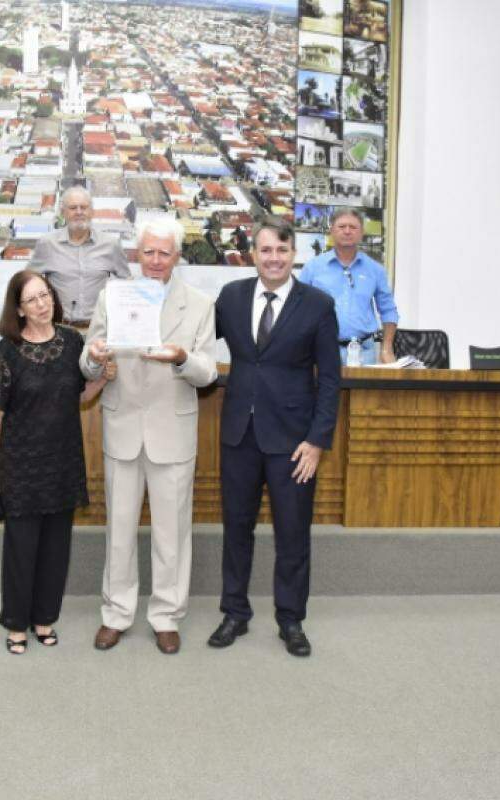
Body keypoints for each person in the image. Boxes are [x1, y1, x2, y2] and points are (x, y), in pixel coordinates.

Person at [81, 217, 217, 655]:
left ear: (177, 256)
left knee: (171, 535)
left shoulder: (198, 305)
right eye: (148, 252)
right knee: (118, 531)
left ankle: (166, 616)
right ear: (136, 255)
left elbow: (208, 371)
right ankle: (116, 614)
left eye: (164, 253)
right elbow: (88, 362)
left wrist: (181, 358)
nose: (155, 261)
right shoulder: (112, 297)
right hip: (122, 428)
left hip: (172, 433)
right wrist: (95, 357)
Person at [207, 220, 339, 658]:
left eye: (282, 249)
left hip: (294, 443)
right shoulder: (231, 297)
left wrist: (318, 440)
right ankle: (234, 613)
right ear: (254, 254)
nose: (274, 258)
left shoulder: (318, 304)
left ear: (293, 252)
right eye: (265, 250)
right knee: (236, 529)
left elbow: (330, 380)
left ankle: (291, 619)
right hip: (239, 436)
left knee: (293, 534)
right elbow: (195, 336)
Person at [0, 270, 114, 654]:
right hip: (20, 462)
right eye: (33, 299)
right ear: (18, 309)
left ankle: (44, 619)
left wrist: (103, 378)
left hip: (62, 460)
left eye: (46, 295)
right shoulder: (7, 350)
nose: (43, 304)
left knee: (57, 548)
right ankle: (17, 624)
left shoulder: (73, 342)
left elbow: (81, 394)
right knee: (21, 548)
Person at [298, 208, 398, 365]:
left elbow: (388, 311)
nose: (347, 231)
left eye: (353, 227)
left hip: (365, 353)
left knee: (364, 391)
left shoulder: (375, 270)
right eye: (342, 226)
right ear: (332, 230)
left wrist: (386, 348)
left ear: (361, 232)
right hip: (322, 351)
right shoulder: (313, 268)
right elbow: (297, 309)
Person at [28, 186, 130, 328]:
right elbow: (28, 284)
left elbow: (128, 283)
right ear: (63, 212)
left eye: (84, 207)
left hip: (98, 330)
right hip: (59, 329)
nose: (79, 212)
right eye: (73, 208)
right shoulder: (47, 244)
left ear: (92, 212)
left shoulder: (111, 245)